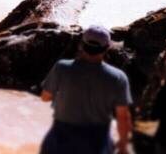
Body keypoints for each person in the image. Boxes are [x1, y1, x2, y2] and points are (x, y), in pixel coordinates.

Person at [40, 25, 134, 154]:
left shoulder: (61, 68)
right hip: (96, 142)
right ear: (107, 48)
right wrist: (123, 144)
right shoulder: (118, 77)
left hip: (60, 140)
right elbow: (123, 116)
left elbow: (45, 97)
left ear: (81, 45)